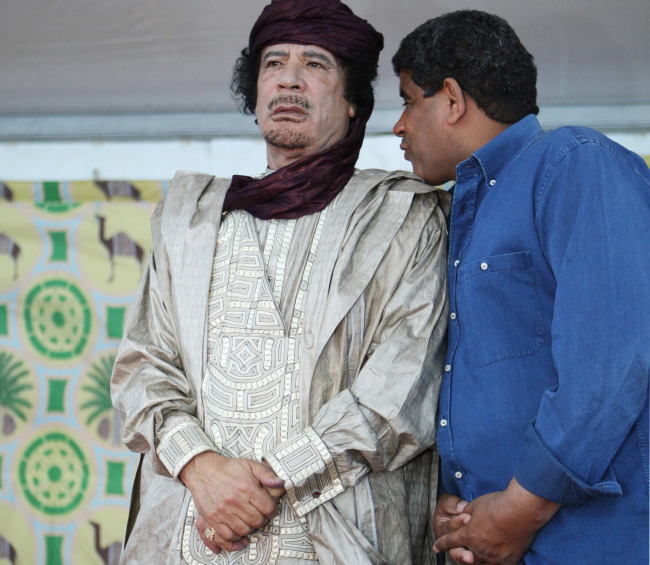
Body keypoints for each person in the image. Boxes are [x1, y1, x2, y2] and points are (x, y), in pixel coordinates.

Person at [111, 1, 450, 564]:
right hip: (191, 536)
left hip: (341, 540)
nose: (289, 78)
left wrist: (260, 484)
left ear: (351, 101)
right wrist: (202, 469)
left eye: (315, 63)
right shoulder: (190, 217)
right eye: (273, 62)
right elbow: (144, 366)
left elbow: (404, 385)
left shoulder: (402, 217)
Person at [392, 9, 650, 565]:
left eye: (409, 99)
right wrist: (452, 503)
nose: (399, 125)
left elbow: (609, 365)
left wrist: (521, 507)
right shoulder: (463, 213)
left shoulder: (575, 164)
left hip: (589, 544)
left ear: (453, 100)